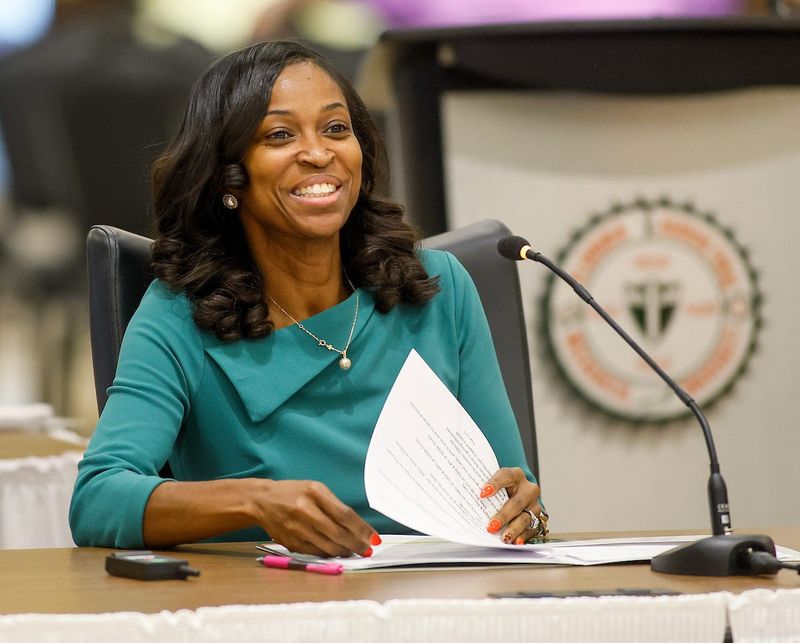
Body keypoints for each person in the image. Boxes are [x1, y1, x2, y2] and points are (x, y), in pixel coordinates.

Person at [69, 40, 544, 557]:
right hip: (271, 612)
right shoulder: (181, 313)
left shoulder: (437, 287)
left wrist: (525, 510)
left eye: (336, 129)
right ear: (230, 175)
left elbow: (513, 496)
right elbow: (97, 500)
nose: (319, 153)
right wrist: (255, 503)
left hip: (439, 606)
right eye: (279, 135)